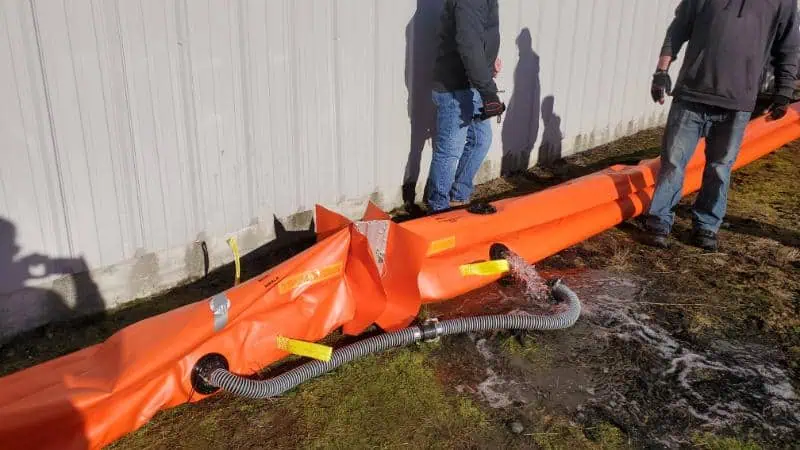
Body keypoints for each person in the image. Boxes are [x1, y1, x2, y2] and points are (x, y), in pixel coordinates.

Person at [646, 0, 800, 251]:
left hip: (737, 102)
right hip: (691, 95)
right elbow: (678, 28)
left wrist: (783, 91)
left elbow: (789, 47)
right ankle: (659, 221)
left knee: (720, 168)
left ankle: (706, 225)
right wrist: (661, 72)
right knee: (673, 162)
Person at [424, 0, 505, 213]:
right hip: (455, 88)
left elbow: (479, 35)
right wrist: (489, 91)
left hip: (472, 84)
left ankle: (457, 197)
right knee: (450, 151)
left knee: (480, 141)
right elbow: (468, 44)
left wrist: (489, 62)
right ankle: (438, 209)